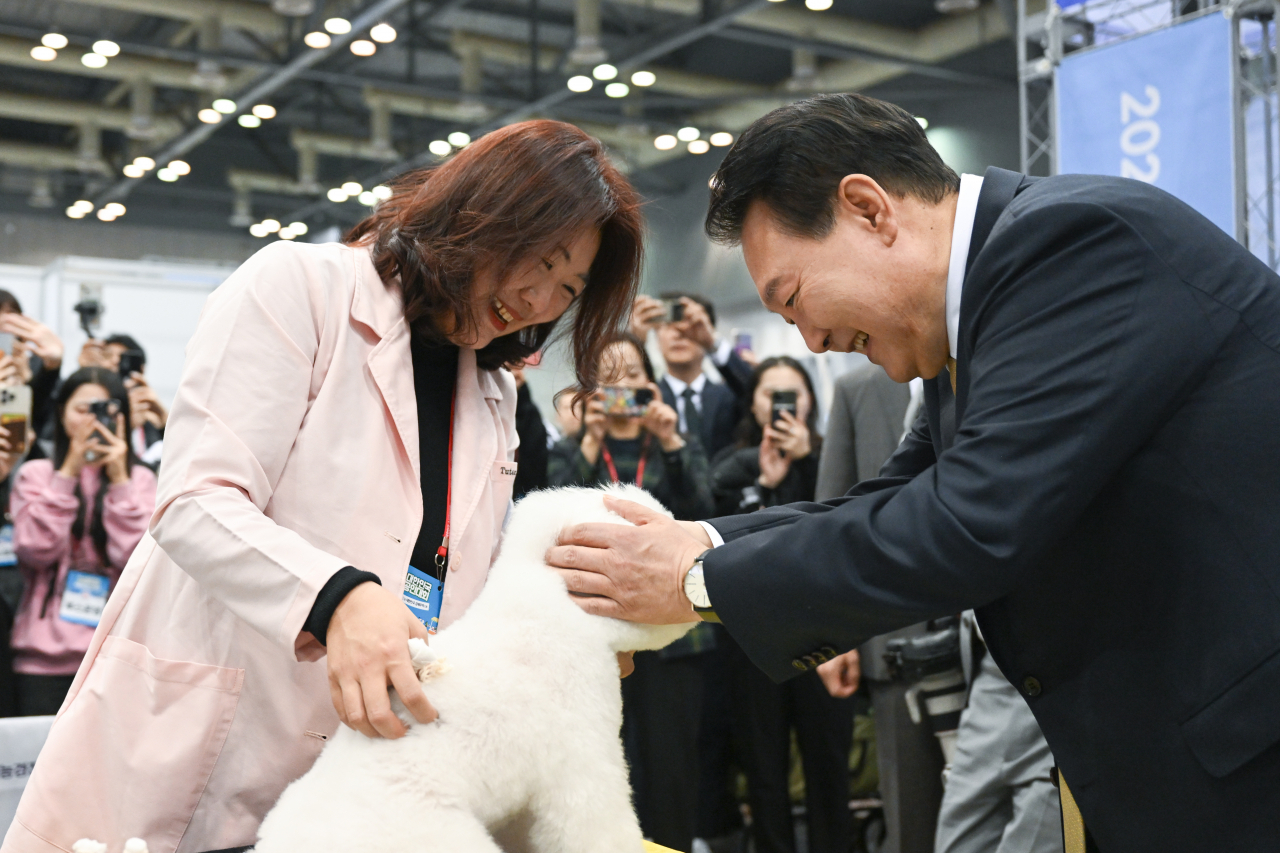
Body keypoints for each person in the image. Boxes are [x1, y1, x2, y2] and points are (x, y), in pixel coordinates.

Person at [547, 92, 1280, 852]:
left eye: (794, 300)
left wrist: (695, 580)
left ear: (869, 209)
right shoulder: (971, 318)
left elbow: (966, 524)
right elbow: (892, 499)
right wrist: (694, 540)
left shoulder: (1072, 246)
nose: (815, 342)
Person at [2, 120, 643, 853]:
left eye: (567, 288)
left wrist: (555, 638)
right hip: (199, 746)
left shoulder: (493, 395)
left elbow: (449, 580)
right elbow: (194, 499)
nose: (538, 300)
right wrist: (336, 596)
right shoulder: (300, 288)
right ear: (481, 213)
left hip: (352, 781)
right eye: (541, 261)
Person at [548, 332, 714, 853]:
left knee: (674, 767)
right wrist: (590, 441)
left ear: (651, 383)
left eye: (632, 375)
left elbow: (707, 506)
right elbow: (553, 510)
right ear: (592, 389)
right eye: (608, 377)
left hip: (674, 636)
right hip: (599, 637)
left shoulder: (671, 444)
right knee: (609, 765)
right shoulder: (578, 449)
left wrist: (671, 440)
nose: (622, 387)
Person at [709, 356, 856, 853]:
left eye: (792, 393)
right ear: (753, 402)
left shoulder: (833, 450)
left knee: (827, 766)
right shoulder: (733, 461)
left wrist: (812, 457)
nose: (781, 404)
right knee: (763, 769)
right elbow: (722, 541)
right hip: (753, 636)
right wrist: (765, 485)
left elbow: (847, 521)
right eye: (770, 393)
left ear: (811, 400)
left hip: (826, 633)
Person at [815, 361, 944, 853]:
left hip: (990, 638)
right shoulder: (856, 389)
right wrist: (832, 633)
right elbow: (835, 512)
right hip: (895, 637)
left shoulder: (981, 366)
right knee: (911, 813)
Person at [8, 368, 156, 715]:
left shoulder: (142, 480)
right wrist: (68, 471)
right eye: (83, 408)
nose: (94, 419)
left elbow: (139, 561)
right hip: (41, 663)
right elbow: (35, 549)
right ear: (61, 413)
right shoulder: (36, 474)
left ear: (123, 417)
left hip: (114, 661)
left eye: (105, 409)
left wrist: (120, 478)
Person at [631, 293, 752, 459]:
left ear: (708, 330)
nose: (679, 333)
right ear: (656, 334)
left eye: (689, 324)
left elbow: (756, 394)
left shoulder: (730, 395)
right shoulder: (649, 397)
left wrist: (712, 344)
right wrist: (636, 344)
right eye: (667, 325)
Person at [80, 334, 166, 469]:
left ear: (140, 369)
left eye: (123, 359)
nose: (115, 361)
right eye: (107, 356)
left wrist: (166, 425)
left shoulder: (150, 420)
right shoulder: (87, 410)